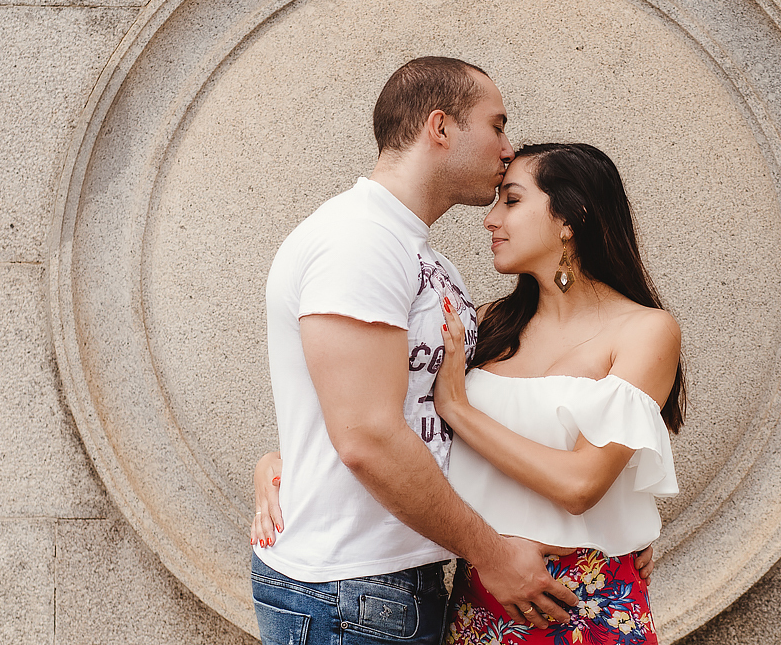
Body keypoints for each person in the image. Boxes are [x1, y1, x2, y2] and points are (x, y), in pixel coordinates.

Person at [255, 140, 684, 645]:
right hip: (479, 593)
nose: (491, 218)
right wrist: (280, 462)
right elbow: (390, 422)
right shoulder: (487, 324)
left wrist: (457, 407)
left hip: (582, 599)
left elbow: (580, 486)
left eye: (513, 200)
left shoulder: (647, 331)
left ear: (570, 218)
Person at [250, 57, 584, 645]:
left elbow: (408, 405)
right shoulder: (359, 241)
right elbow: (368, 437)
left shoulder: (420, 257)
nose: (508, 148)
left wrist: (615, 520)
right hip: (350, 589)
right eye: (497, 125)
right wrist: (494, 556)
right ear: (440, 127)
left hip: (391, 580)